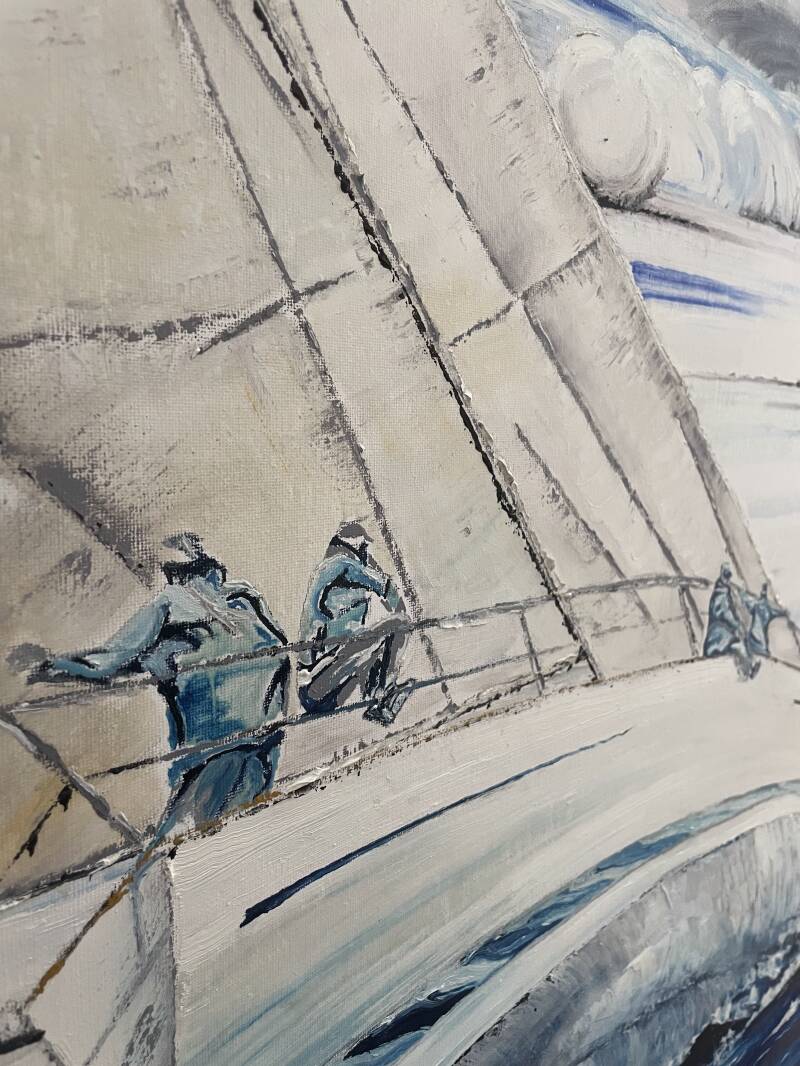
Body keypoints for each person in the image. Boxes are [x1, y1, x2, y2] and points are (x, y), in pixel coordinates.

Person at [33, 533, 289, 838]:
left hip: (209, 752)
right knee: (238, 830)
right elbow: (284, 655)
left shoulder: (169, 604)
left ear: (173, 575)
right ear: (212, 569)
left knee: (188, 842)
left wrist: (48, 666)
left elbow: (106, 662)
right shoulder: (247, 599)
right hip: (266, 740)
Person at [298, 523, 414, 724]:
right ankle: (384, 693)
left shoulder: (332, 577)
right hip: (318, 681)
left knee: (373, 645)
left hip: (324, 689)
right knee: (400, 623)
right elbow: (386, 589)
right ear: (356, 547)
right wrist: (374, 567)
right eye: (364, 548)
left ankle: (379, 694)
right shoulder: (340, 564)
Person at [703, 564, 758, 680]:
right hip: (718, 640)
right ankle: (745, 671)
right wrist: (736, 625)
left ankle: (749, 668)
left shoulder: (728, 591)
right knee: (738, 646)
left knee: (742, 642)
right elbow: (723, 612)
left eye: (729, 575)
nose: (728, 578)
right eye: (726, 575)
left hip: (725, 636)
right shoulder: (719, 594)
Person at [741, 583, 786, 659]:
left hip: (754, 635)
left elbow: (747, 601)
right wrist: (784, 612)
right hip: (759, 637)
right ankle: (761, 653)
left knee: (757, 640)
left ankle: (757, 652)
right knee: (761, 642)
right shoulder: (768, 609)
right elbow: (779, 613)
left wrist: (742, 593)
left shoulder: (757, 605)